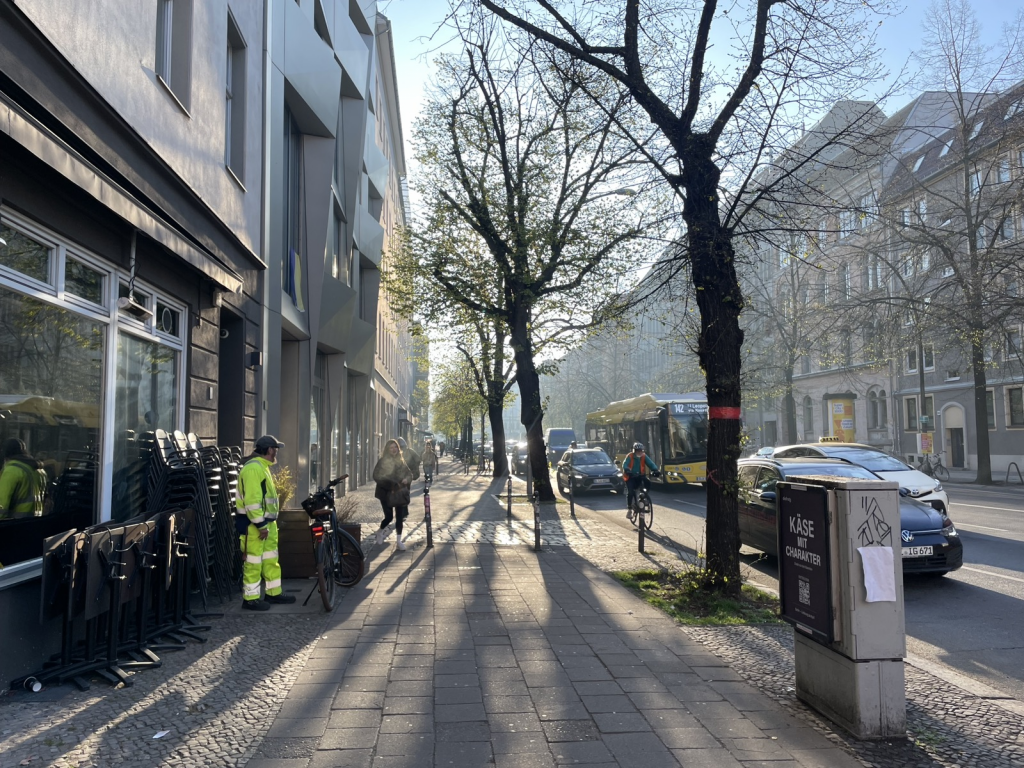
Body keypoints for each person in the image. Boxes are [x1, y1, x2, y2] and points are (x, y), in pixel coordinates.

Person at [235, 435, 295, 611]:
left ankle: (273, 593)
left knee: (270, 559)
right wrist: (260, 525)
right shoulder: (254, 469)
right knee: (253, 562)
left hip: (265, 524)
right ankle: (251, 599)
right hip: (255, 525)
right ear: (270, 450)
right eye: (275, 449)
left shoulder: (261, 467)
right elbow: (252, 501)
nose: (277, 452)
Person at [373, 439, 413, 550]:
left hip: (399, 493)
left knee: (400, 517)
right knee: (389, 517)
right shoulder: (382, 461)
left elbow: (409, 473)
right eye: (391, 447)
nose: (394, 449)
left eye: (395, 447)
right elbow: (376, 476)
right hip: (385, 493)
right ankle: (380, 531)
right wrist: (390, 485)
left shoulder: (401, 460)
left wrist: (406, 479)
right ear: (387, 449)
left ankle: (399, 541)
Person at [0, 438, 48, 519]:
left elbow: (2, 503)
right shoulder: (40, 471)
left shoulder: (11, 471)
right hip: (35, 522)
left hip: (15, 524)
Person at [621, 442, 659, 518]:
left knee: (648, 482)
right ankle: (629, 510)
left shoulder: (644, 456)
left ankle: (645, 497)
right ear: (634, 451)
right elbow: (625, 464)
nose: (640, 452)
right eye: (638, 451)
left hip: (640, 476)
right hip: (630, 477)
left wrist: (655, 470)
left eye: (641, 451)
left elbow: (650, 463)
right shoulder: (630, 456)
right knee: (631, 492)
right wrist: (627, 470)